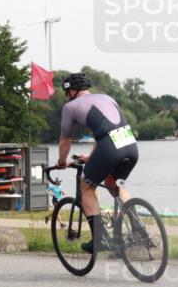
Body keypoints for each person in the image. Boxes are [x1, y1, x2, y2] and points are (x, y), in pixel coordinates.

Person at [56, 71, 138, 253]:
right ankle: (139, 229)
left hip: (109, 147)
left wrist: (62, 162)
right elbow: (106, 133)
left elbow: (65, 141)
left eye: (67, 93)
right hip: (130, 144)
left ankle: (99, 239)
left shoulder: (70, 107)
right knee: (113, 183)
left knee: (86, 187)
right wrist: (93, 157)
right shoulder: (107, 98)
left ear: (72, 91)